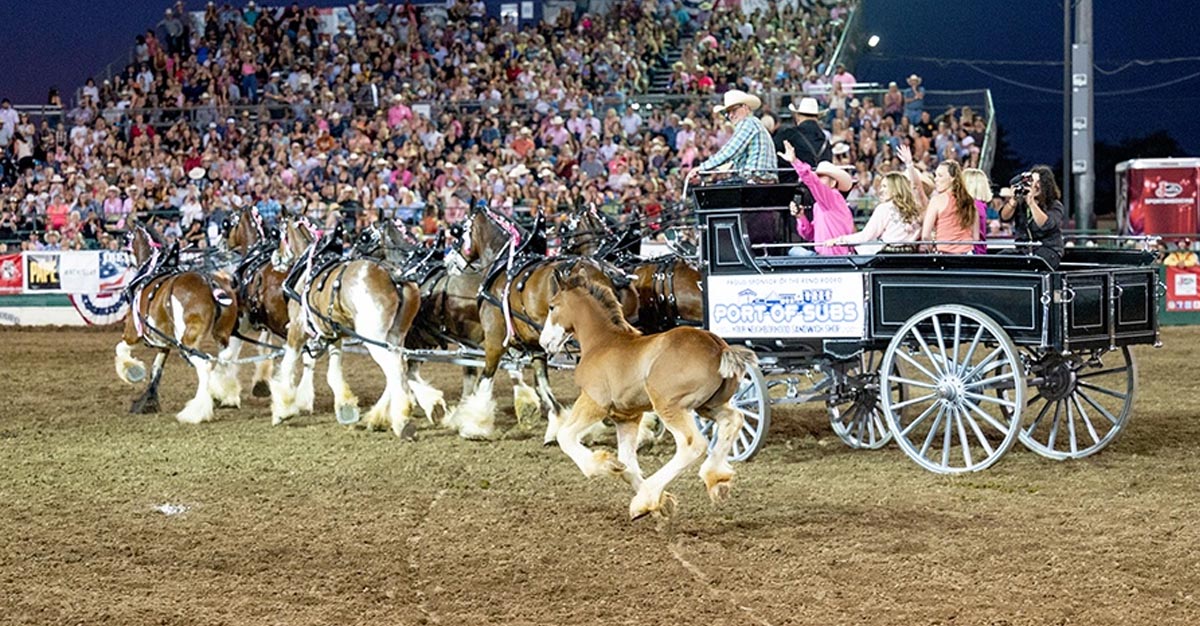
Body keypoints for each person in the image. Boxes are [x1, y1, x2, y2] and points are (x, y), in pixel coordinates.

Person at [777, 140, 855, 256]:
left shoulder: (834, 197)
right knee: (794, 251)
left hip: (835, 257)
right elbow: (810, 235)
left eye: (821, 177)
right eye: (817, 176)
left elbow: (813, 183)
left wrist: (795, 161)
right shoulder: (819, 205)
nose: (818, 179)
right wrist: (801, 216)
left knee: (794, 252)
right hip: (824, 255)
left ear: (833, 183)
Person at [688, 89, 776, 184]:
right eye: (728, 113)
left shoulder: (748, 123)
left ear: (745, 108)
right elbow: (733, 159)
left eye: (734, 110)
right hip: (760, 179)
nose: (730, 115)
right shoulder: (754, 123)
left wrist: (701, 168)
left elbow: (730, 151)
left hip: (756, 180)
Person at [823, 172, 922, 254]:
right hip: (912, 255)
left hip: (890, 257)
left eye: (884, 186)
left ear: (895, 189)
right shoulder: (916, 209)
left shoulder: (884, 208)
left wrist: (838, 241)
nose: (881, 190)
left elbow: (866, 236)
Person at [1000, 165, 1065, 269]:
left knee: (1036, 261)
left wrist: (1031, 203)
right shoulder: (1022, 203)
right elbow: (1004, 217)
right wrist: (1013, 200)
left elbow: (1046, 225)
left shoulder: (1054, 205)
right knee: (1001, 258)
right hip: (1024, 250)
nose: (1035, 186)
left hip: (1048, 250)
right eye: (1032, 181)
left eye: (1038, 182)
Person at [920, 160, 976, 254]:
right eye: (936, 175)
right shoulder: (969, 200)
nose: (936, 179)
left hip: (945, 256)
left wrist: (931, 249)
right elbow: (975, 235)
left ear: (952, 178)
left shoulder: (937, 201)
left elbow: (925, 235)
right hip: (967, 254)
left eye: (940, 176)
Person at [774, 96, 830, 184]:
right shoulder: (825, 140)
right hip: (821, 188)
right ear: (817, 117)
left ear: (797, 116)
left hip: (793, 188)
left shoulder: (788, 135)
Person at [960, 168, 994, 255]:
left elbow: (971, 235)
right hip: (979, 250)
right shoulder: (981, 205)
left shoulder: (972, 206)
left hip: (970, 252)